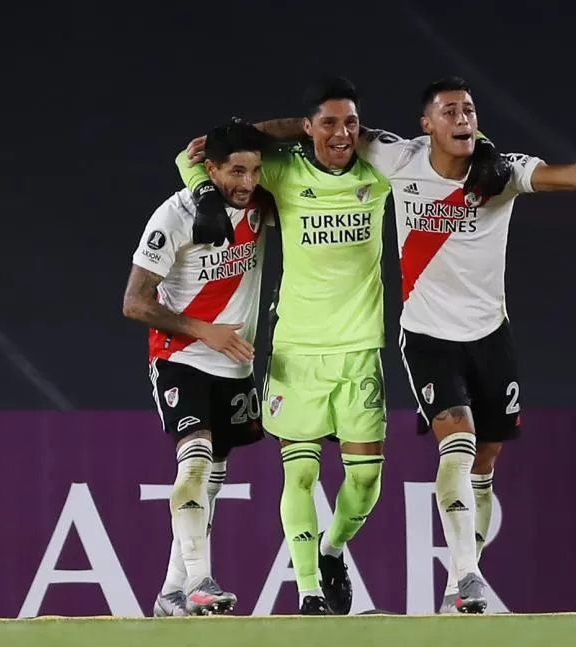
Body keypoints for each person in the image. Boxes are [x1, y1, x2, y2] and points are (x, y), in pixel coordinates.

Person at [174, 77, 512, 616]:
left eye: (350, 122)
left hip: (360, 350)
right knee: (300, 475)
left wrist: (489, 148)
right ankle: (309, 592)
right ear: (308, 128)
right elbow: (194, 156)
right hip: (298, 350)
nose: (341, 133)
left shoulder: (383, 169)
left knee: (365, 481)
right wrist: (205, 193)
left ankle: (331, 551)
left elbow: (454, 140)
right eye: (327, 123)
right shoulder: (282, 170)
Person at [350, 76, 576, 613]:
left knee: (484, 464)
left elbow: (572, 176)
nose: (463, 118)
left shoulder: (499, 173)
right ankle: (466, 579)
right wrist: (257, 135)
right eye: (450, 111)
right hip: (428, 336)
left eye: (469, 109)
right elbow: (335, 130)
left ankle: (459, 589)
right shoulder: (398, 158)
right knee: (457, 442)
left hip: (491, 336)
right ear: (427, 124)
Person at [122, 121, 272, 616]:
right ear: (209, 169)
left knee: (211, 481)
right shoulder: (176, 214)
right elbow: (134, 303)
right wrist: (204, 330)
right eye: (235, 170)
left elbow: (306, 130)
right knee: (196, 463)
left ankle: (171, 591)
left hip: (233, 364)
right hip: (180, 356)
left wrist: (251, 131)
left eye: (253, 170)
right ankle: (201, 580)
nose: (246, 182)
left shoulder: (262, 204)